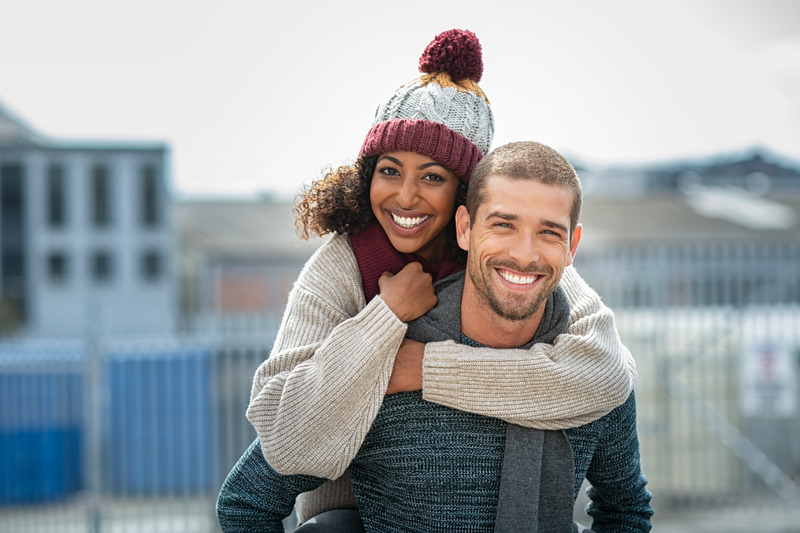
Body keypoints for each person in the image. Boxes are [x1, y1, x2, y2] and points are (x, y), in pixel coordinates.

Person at [226, 29, 637, 526]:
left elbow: (607, 370)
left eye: (434, 177)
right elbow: (281, 439)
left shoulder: (512, 261)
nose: (405, 197)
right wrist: (385, 316)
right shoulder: (342, 265)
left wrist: (421, 368)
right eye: (389, 170)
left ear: (467, 201)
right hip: (349, 501)